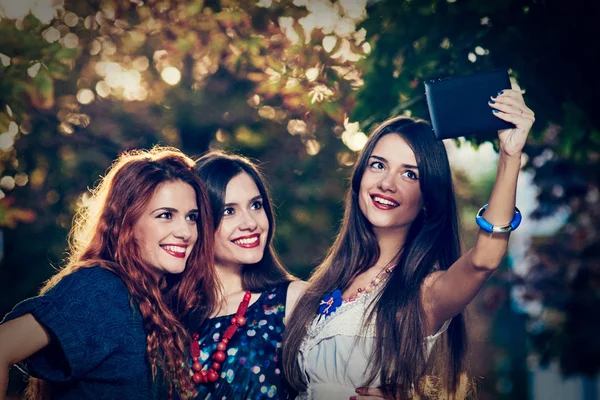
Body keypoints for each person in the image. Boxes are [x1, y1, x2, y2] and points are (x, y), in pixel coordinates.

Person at [282, 90, 535, 399]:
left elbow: (485, 259)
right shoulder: (321, 286)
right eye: (378, 165)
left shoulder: (424, 293)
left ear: (428, 199)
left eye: (410, 174)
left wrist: (510, 156)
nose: (387, 183)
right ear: (359, 177)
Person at [0, 147, 217, 400]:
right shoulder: (101, 290)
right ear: (127, 222)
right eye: (166, 215)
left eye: (191, 217)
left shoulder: (156, 300)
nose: (185, 232)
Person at [184, 151, 306, 399]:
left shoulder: (294, 300)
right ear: (200, 222)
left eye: (256, 205)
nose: (250, 222)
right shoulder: (169, 315)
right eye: (229, 211)